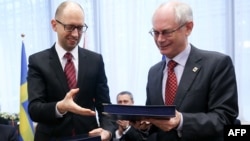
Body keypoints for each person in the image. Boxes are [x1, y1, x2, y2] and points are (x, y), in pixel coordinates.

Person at [144, 1, 239, 141]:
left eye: (166, 32)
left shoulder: (216, 64)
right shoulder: (154, 72)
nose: (160, 39)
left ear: (188, 28)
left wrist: (181, 121)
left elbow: (224, 119)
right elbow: (155, 124)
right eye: (155, 32)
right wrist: (144, 125)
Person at [27, 1, 115, 141]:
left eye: (80, 28)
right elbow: (34, 110)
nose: (75, 34)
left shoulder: (95, 61)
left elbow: (105, 107)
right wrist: (60, 107)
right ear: (54, 25)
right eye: (70, 27)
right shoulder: (38, 62)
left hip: (88, 137)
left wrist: (108, 131)